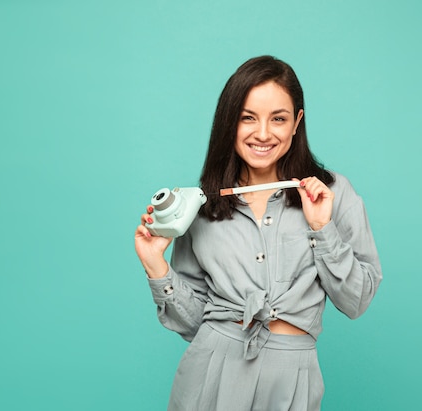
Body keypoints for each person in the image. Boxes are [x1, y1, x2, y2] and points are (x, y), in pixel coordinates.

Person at [134, 55, 382, 411]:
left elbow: (356, 301)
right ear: (228, 123)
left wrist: (321, 228)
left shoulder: (333, 194)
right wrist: (155, 265)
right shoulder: (202, 204)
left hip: (292, 376)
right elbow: (193, 324)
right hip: (212, 370)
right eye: (247, 117)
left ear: (297, 122)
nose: (263, 134)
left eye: (278, 119)